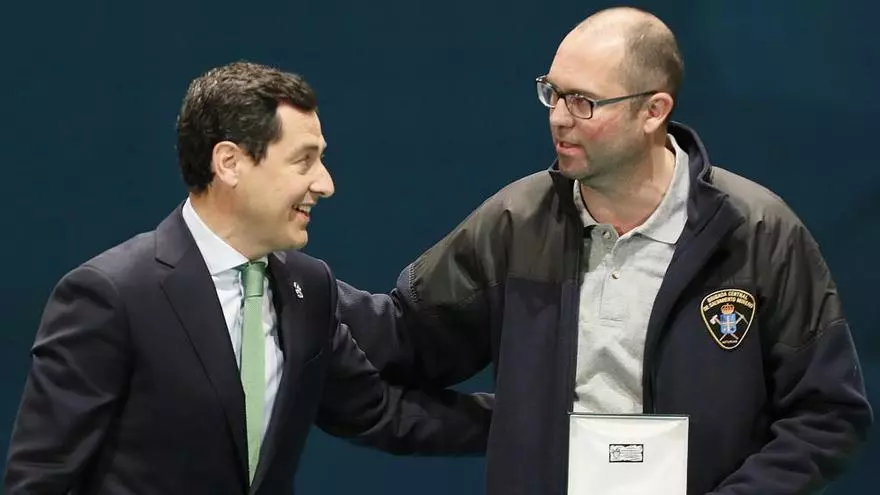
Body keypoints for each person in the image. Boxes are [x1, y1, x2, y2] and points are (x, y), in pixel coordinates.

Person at [337, 6, 873, 495]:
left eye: (584, 102)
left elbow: (827, 414)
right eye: (553, 93)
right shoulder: (515, 222)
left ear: (653, 111)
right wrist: (304, 286)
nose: (558, 117)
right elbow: (402, 337)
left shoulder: (758, 232)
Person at [4, 61, 491, 495]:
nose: (325, 183)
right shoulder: (111, 296)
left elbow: (382, 412)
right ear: (230, 163)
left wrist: (523, 419)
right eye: (304, 160)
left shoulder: (310, 289)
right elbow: (39, 477)